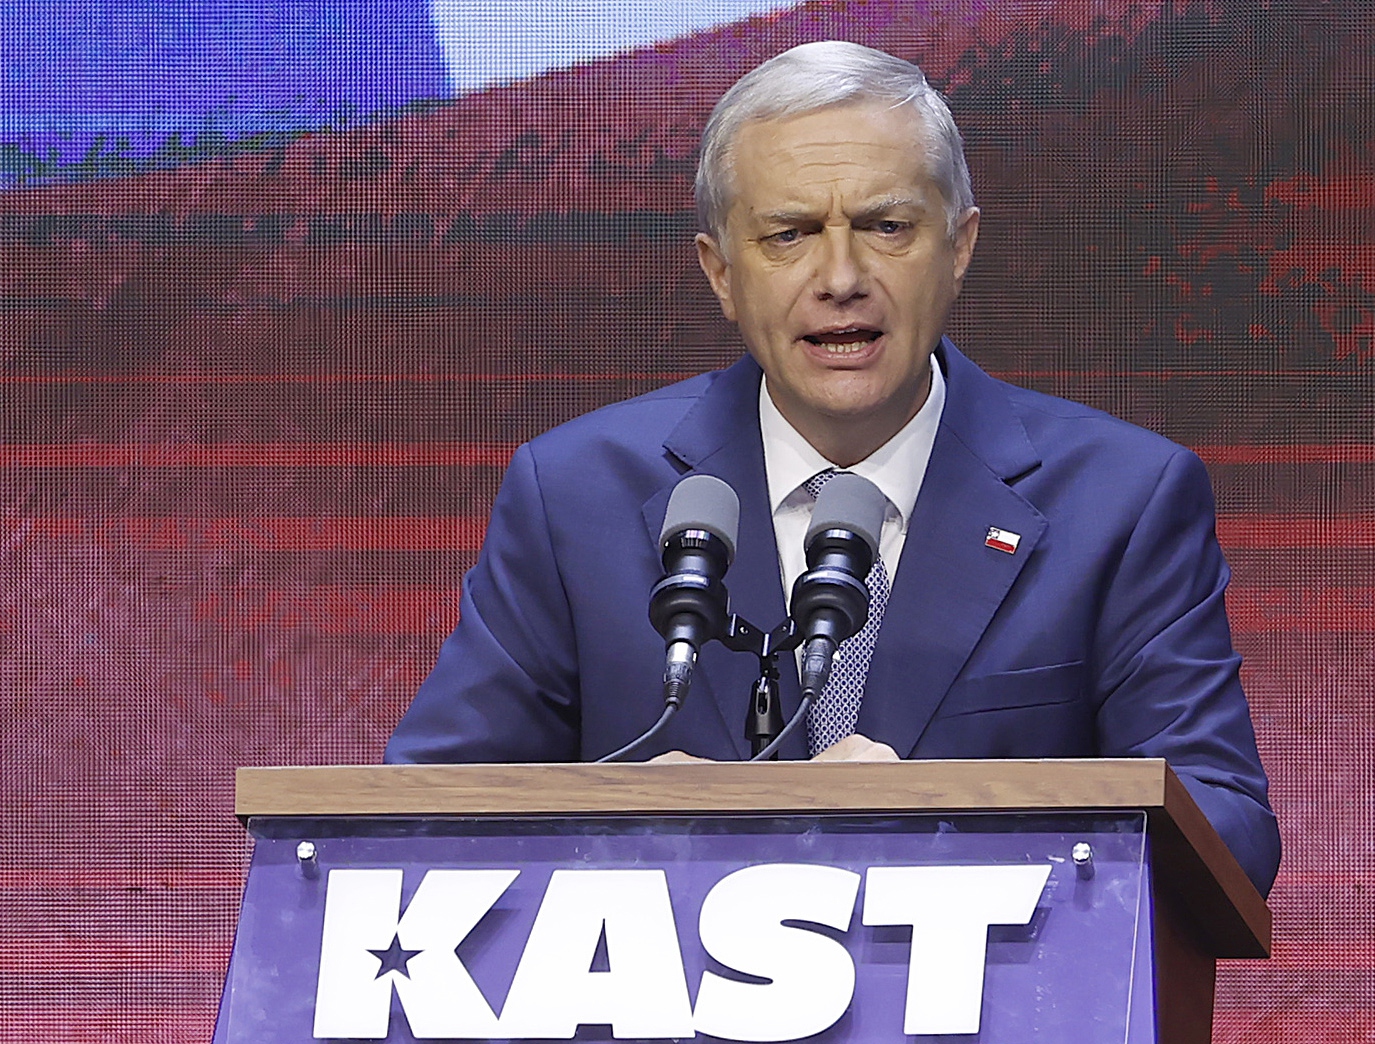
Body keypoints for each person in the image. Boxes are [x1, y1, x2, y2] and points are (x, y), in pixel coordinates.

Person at [385, 41, 1281, 896]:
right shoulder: (575, 494)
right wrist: (623, 831)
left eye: (888, 227)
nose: (841, 276)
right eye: (789, 234)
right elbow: (414, 821)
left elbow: (1229, 832)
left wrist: (943, 818)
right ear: (720, 272)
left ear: (959, 246)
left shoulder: (1122, 499)